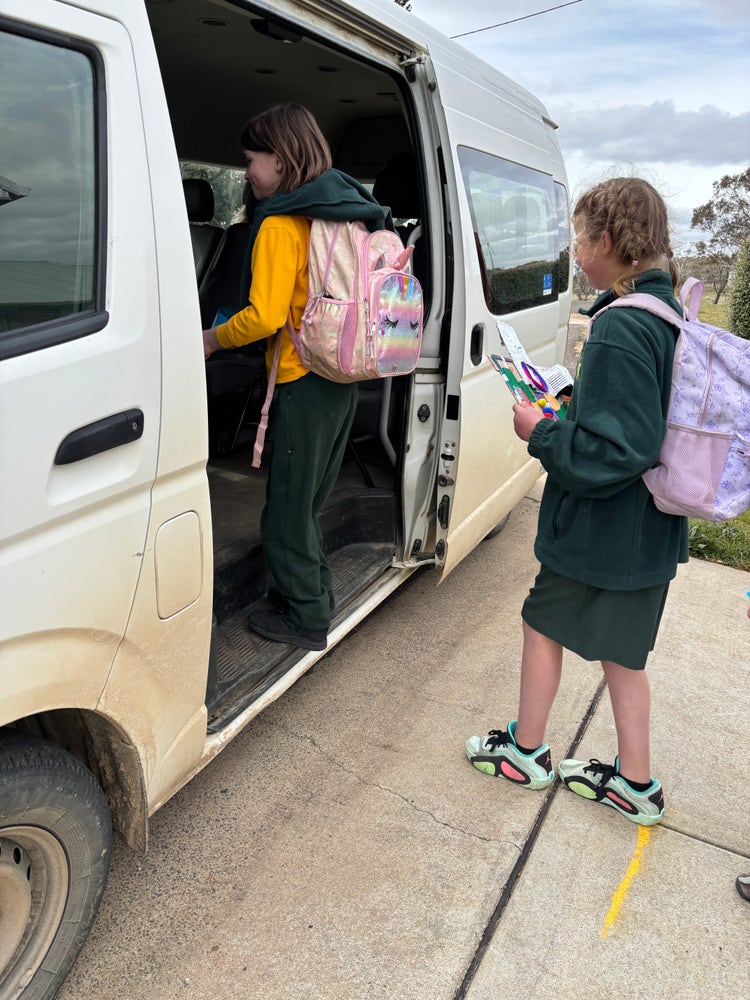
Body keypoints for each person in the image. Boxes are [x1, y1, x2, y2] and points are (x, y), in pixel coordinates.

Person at [465, 177, 689, 826]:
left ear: (608, 240)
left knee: (542, 625)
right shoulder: (667, 313)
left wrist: (543, 430)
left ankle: (526, 752)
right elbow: (637, 424)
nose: (575, 250)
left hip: (602, 531)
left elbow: (618, 450)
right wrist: (572, 408)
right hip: (647, 531)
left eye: (579, 237)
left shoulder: (620, 329)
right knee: (623, 657)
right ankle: (635, 784)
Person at [203, 104, 388, 651]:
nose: (248, 173)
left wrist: (210, 340)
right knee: (307, 500)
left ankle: (307, 617)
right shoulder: (339, 214)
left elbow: (262, 317)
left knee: (285, 510)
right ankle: (314, 592)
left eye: (252, 160)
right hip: (340, 374)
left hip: (302, 381)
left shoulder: (281, 224)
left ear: (280, 161)